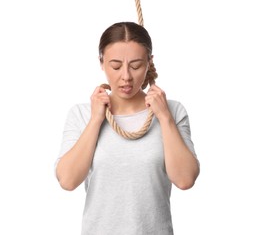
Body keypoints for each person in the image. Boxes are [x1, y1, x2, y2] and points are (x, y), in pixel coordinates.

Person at [55, 21, 200, 235]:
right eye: (115, 66)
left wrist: (165, 118)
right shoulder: (81, 114)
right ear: (101, 62)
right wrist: (96, 119)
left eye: (136, 65)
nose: (126, 76)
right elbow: (67, 181)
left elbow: (185, 179)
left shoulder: (172, 111)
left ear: (149, 63)